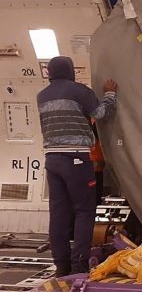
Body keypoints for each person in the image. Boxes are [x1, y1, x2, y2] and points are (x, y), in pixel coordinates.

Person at [37, 56, 117, 276]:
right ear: (70, 70)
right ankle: (79, 264)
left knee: (59, 213)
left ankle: (61, 266)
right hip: (77, 159)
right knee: (84, 210)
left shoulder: (41, 96)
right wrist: (110, 93)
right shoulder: (79, 91)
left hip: (52, 159)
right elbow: (102, 114)